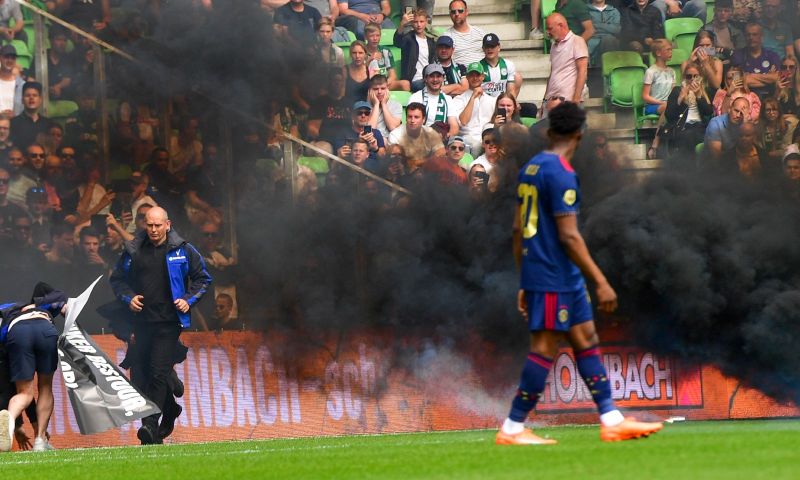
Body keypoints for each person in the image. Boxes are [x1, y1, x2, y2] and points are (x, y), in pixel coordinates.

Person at [496, 102, 663, 445]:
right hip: (554, 272)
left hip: (552, 274)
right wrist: (601, 282)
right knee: (543, 348)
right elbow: (569, 235)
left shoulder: (530, 168)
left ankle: (611, 418)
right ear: (580, 135)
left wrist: (523, 279)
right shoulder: (560, 172)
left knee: (586, 339)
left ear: (549, 132)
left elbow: (517, 229)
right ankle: (512, 427)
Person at [109, 206, 212, 445]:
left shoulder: (183, 250)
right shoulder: (133, 250)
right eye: (150, 225)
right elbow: (117, 280)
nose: (154, 230)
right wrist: (128, 298)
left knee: (157, 372)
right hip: (141, 322)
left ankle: (150, 424)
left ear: (168, 224)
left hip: (169, 322)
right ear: (144, 225)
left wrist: (189, 300)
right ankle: (170, 409)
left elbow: (203, 278)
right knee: (141, 375)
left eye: (158, 225)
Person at [0, 282, 67, 452]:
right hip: (44, 327)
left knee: (24, 393)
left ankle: (8, 423)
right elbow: (60, 296)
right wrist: (64, 306)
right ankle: (40, 440)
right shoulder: (38, 305)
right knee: (45, 387)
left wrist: (17, 424)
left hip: (17, 331)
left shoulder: (7, 314)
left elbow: (6, 386)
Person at [649, 62, 713, 163]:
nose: (692, 79)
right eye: (689, 76)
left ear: (700, 77)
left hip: (699, 126)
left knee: (697, 135)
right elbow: (669, 115)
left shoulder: (704, 92)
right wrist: (680, 99)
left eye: (696, 76)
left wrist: (699, 97)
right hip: (682, 126)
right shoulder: (677, 90)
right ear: (684, 77)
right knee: (688, 136)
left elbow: (708, 112)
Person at [542, 13, 588, 117]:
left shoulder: (577, 41)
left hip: (568, 100)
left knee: (568, 132)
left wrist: (576, 100)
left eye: (550, 28)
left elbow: (583, 71)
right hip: (551, 100)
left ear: (561, 25)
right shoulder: (553, 46)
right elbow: (552, 73)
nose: (548, 32)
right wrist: (544, 101)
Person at [454, 62, 496, 154]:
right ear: (467, 77)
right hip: (468, 140)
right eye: (471, 75)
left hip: (488, 139)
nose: (475, 78)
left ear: (483, 77)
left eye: (477, 75)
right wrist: (473, 97)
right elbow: (463, 121)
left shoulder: (492, 100)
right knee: (474, 143)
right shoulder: (459, 99)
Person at [731, 23, 782, 98]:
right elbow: (737, 81)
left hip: (769, 97)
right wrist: (768, 78)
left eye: (754, 34)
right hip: (745, 98)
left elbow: (776, 78)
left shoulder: (772, 56)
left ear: (762, 37)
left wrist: (749, 76)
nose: (751, 37)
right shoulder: (738, 55)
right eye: (748, 35)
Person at [408, 63, 460, 136]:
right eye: (431, 76)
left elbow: (454, 126)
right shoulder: (416, 97)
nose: (435, 80)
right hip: (420, 138)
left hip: (442, 140)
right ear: (425, 79)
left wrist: (446, 136)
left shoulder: (447, 99)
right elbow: (412, 124)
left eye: (438, 76)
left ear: (443, 78)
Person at [394, 8, 436, 92]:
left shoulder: (431, 41)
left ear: (426, 22)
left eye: (421, 21)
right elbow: (397, 42)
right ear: (412, 23)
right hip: (415, 80)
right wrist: (402, 24)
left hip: (429, 78)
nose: (419, 25)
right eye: (416, 22)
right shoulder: (408, 38)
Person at [364, 22, 408, 91]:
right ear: (365, 37)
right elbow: (359, 74)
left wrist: (384, 84)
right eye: (372, 36)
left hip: (385, 84)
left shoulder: (385, 51)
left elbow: (393, 75)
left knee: (405, 84)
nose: (375, 38)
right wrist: (370, 59)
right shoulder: (361, 51)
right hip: (369, 85)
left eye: (377, 35)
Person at [704, 96, 751, 160]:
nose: (738, 115)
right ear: (729, 109)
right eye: (736, 111)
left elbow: (749, 150)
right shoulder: (715, 124)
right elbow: (716, 158)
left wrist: (745, 123)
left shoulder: (745, 124)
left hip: (734, 162)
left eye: (742, 113)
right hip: (714, 165)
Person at [10, 82, 51, 153]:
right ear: (22, 100)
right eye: (27, 95)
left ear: (40, 100)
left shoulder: (48, 124)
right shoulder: (13, 123)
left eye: (35, 95)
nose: (31, 98)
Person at [444, 0, 486, 66]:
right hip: (461, 74)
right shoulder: (446, 36)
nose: (457, 14)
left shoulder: (480, 32)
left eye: (460, 11)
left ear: (466, 12)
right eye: (453, 11)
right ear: (450, 14)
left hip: (482, 73)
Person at [479, 34, 522, 99]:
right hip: (484, 104)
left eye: (492, 46)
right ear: (483, 48)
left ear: (499, 47)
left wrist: (512, 103)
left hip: (502, 104)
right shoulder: (478, 67)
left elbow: (511, 91)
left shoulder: (508, 64)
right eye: (487, 47)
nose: (489, 49)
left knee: (531, 107)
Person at [642, 39, 675, 116]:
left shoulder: (672, 71)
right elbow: (645, 96)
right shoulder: (650, 71)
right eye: (668, 50)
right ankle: (662, 128)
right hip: (653, 106)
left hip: (668, 104)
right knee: (668, 107)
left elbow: (673, 92)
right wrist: (663, 103)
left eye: (671, 50)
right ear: (658, 53)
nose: (671, 52)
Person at [366, 74, 402, 139]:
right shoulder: (364, 107)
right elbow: (369, 131)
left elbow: (392, 127)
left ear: (387, 88)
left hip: (390, 141)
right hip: (371, 140)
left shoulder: (396, 105)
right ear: (370, 90)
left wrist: (384, 104)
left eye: (383, 88)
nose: (379, 92)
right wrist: (376, 104)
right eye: (375, 89)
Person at [587, 0, 620, 66]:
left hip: (610, 42)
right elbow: (587, 28)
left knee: (608, 39)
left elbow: (616, 29)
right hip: (591, 40)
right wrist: (607, 26)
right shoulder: (585, 11)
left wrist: (596, 25)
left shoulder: (614, 11)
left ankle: (609, 71)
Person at [0, 44, 23, 117]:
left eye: (13, 58)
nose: (10, 60)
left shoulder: (21, 84)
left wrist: (15, 115)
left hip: (16, 124)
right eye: (6, 57)